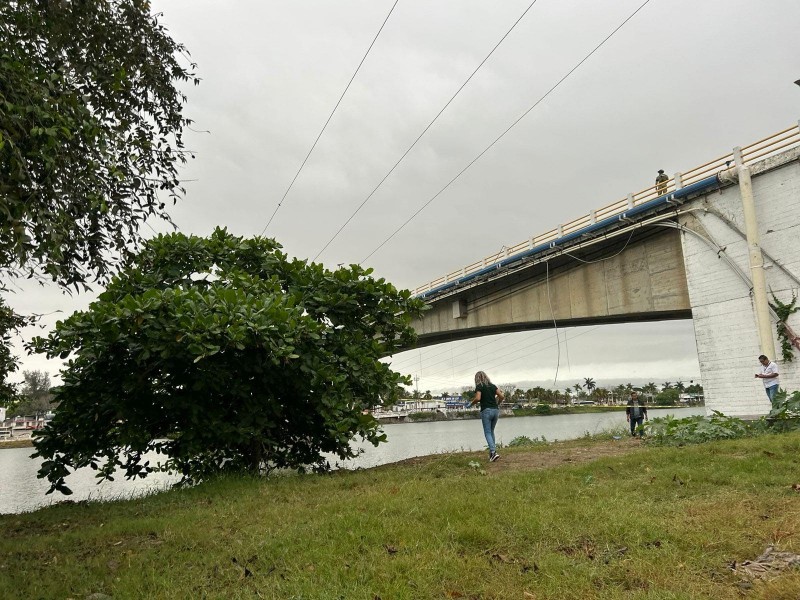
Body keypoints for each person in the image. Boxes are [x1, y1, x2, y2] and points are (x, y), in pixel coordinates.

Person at [470, 371, 504, 462]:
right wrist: (498, 403)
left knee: (487, 432)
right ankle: (492, 453)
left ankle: (493, 452)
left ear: (477, 378)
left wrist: (471, 404)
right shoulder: (493, 386)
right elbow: (501, 396)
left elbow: (478, 398)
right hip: (495, 411)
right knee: (491, 431)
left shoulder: (479, 386)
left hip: (486, 411)